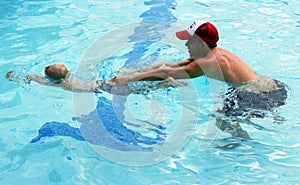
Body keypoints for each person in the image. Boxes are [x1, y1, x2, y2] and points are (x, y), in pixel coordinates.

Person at [108, 20, 288, 139]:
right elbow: (171, 65)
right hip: (270, 86)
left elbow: (166, 74)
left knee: (220, 120)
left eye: (189, 41)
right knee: (223, 114)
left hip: (260, 95)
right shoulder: (211, 53)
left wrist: (128, 79)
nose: (186, 45)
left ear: (201, 44)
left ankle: (246, 146)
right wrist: (138, 70)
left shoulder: (208, 62)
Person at [5, 63, 182, 95]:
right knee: (134, 84)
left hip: (102, 88)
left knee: (137, 91)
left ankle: (164, 83)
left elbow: (38, 79)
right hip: (103, 83)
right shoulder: (69, 78)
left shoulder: (62, 85)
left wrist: (20, 77)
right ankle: (162, 77)